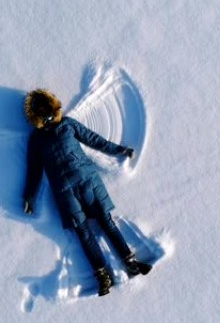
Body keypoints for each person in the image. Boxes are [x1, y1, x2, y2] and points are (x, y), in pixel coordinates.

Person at [22, 89, 151, 296]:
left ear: (52, 106)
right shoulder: (36, 140)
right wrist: (29, 196)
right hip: (65, 194)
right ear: (35, 116)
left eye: (46, 107)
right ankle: (102, 276)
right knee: (83, 233)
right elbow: (34, 169)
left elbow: (94, 139)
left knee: (106, 222)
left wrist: (118, 150)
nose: (44, 113)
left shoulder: (68, 124)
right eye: (39, 111)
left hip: (89, 182)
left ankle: (130, 262)